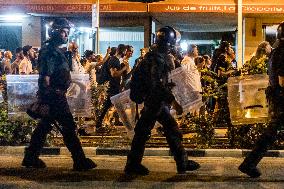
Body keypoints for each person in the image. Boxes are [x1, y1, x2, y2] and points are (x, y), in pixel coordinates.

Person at [22, 18, 96, 171]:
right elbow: (45, 77)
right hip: (54, 96)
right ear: (55, 32)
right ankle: (79, 160)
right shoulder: (49, 51)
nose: (65, 35)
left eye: (67, 32)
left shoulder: (56, 50)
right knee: (68, 126)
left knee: (44, 126)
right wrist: (47, 97)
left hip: (56, 95)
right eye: (63, 31)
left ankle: (30, 157)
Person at [124, 26, 200, 176]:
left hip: (154, 100)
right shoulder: (157, 58)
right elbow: (157, 83)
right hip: (156, 101)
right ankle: (181, 162)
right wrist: (174, 102)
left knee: (146, 132)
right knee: (169, 130)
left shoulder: (155, 55)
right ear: (170, 42)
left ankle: (134, 164)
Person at [238, 21, 284, 178]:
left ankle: (249, 163)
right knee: (270, 134)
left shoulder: (275, 52)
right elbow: (282, 81)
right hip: (282, 99)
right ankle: (249, 163)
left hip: (277, 98)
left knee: (270, 134)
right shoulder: (283, 52)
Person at [94, 44, 128, 131]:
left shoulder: (114, 60)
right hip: (112, 87)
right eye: (126, 51)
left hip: (113, 87)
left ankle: (99, 123)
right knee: (118, 106)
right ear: (123, 51)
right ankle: (129, 126)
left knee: (108, 106)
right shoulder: (114, 60)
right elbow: (114, 74)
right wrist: (124, 69)